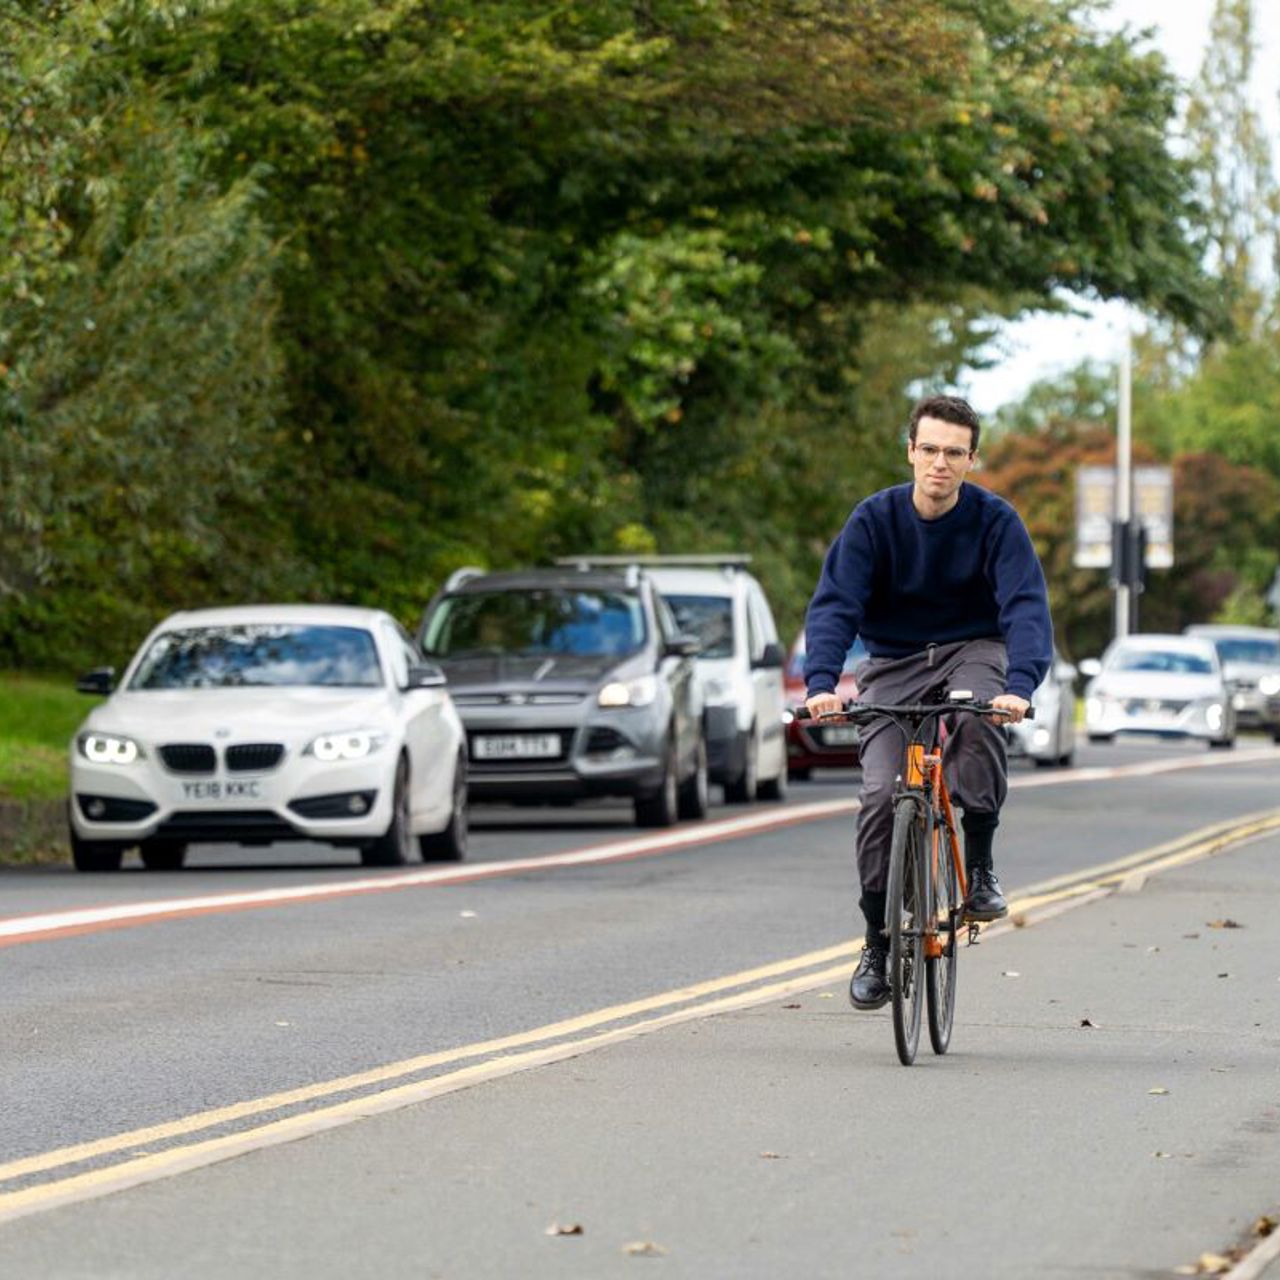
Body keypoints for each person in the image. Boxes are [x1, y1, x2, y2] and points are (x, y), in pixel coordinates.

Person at [803, 395, 1053, 1010]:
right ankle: (877, 944)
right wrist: (820, 684)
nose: (940, 463)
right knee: (878, 796)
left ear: (972, 459)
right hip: (893, 661)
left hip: (973, 647)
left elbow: (1025, 606)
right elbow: (836, 604)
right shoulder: (873, 520)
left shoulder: (996, 522)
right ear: (910, 451)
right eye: (930, 450)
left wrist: (1019, 686)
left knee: (978, 719)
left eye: (954, 453)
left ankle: (983, 864)